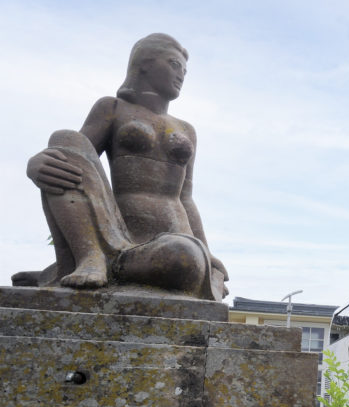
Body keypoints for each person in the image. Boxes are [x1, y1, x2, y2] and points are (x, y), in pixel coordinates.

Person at [18, 33, 227, 300]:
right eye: (175, 65)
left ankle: (66, 270)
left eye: (185, 70)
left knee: (184, 257)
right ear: (144, 63)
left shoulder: (187, 130)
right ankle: (89, 257)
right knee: (64, 140)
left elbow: (186, 197)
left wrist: (207, 253)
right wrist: (36, 164)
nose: (182, 75)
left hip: (170, 243)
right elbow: (77, 159)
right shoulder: (113, 108)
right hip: (112, 233)